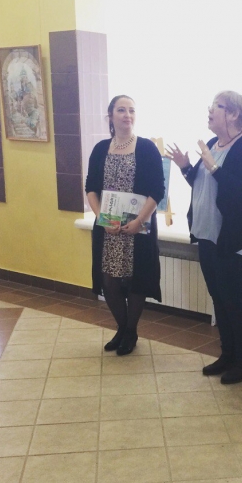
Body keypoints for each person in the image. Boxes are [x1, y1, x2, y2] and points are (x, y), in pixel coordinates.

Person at [167, 91, 242, 384]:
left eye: (217, 106)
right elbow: (202, 184)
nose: (209, 110)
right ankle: (227, 355)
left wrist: (213, 166)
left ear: (234, 114)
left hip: (233, 236)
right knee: (218, 298)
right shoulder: (212, 144)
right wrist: (186, 166)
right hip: (207, 234)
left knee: (234, 299)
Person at [86, 95, 165, 356]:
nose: (127, 115)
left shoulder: (147, 148)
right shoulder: (100, 149)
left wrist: (139, 221)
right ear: (110, 116)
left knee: (136, 281)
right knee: (109, 281)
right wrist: (102, 219)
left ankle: (130, 332)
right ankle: (123, 329)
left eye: (131, 110)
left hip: (138, 229)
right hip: (108, 230)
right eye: (121, 110)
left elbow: (157, 190)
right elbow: (90, 188)